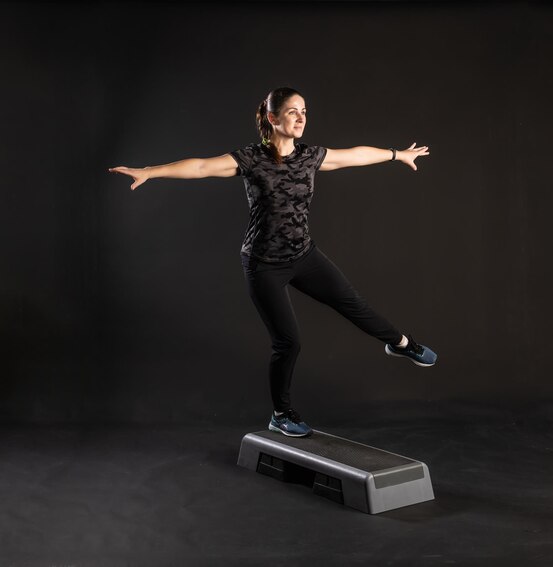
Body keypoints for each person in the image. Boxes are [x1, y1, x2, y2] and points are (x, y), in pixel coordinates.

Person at [108, 86, 437, 438]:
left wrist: (396, 154)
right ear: (272, 118)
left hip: (303, 255)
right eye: (293, 111)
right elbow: (202, 166)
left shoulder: (311, 156)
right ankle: (281, 414)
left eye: (305, 111)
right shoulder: (251, 159)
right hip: (263, 263)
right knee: (288, 342)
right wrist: (149, 171)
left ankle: (401, 344)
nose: (301, 117)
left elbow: (352, 156)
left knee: (355, 305)